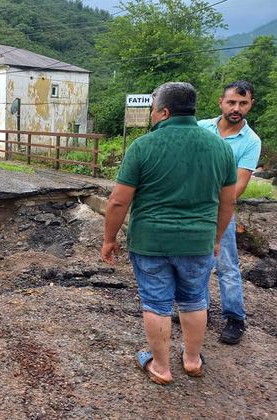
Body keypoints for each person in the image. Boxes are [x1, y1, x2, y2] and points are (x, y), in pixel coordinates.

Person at [101, 82, 237, 385]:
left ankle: (161, 368)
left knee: (156, 303)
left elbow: (119, 200)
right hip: (198, 241)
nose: (151, 115)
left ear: (163, 111)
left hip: (151, 242)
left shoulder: (144, 146)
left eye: (153, 110)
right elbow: (228, 202)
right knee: (194, 300)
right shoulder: (220, 147)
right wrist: (215, 238)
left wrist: (109, 239)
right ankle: (191, 361)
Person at [198, 80, 262, 345]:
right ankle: (197, 309)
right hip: (192, 209)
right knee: (196, 263)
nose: (236, 108)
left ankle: (235, 318)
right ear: (221, 102)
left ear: (250, 105)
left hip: (221, 210)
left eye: (243, 103)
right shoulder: (201, 128)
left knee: (226, 265)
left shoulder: (251, 141)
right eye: (232, 102)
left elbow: (239, 185)